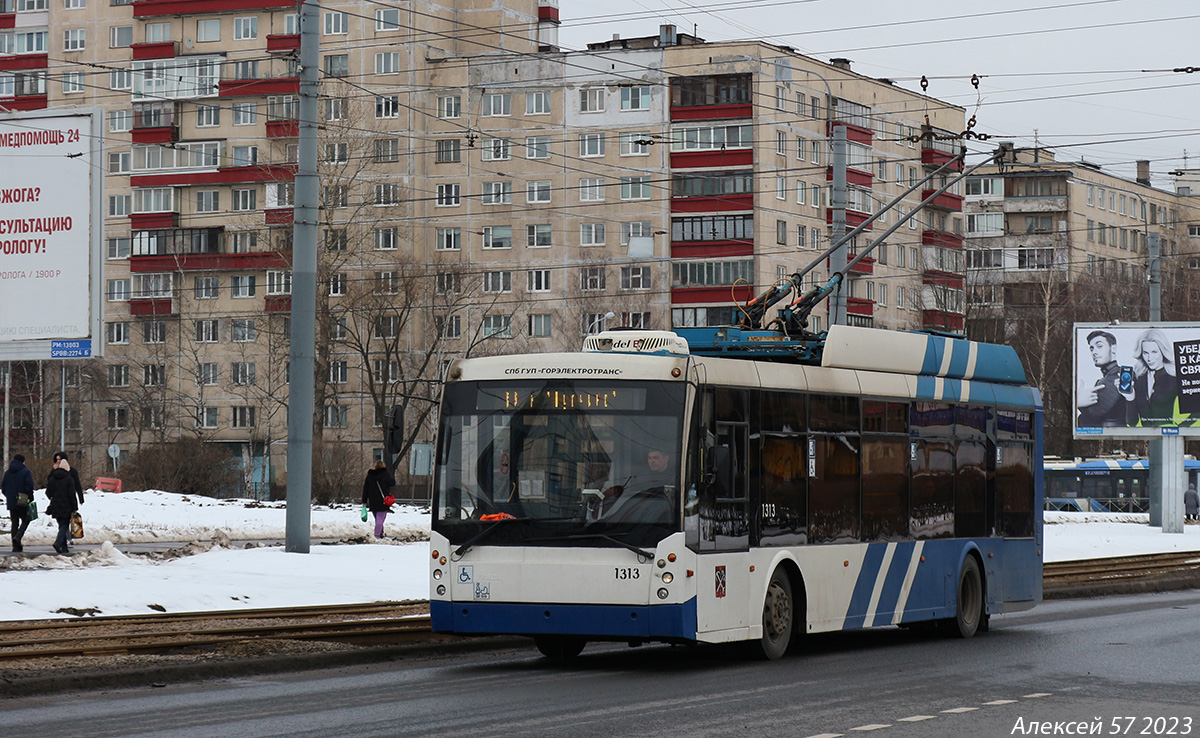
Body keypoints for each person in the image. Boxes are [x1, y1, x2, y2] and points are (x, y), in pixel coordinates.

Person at [1121, 328, 1179, 426]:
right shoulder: (1137, 378)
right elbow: (1132, 422)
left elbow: (1195, 411)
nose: (1149, 358)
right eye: (1145, 353)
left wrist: (1179, 428)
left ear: (1162, 351)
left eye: (1154, 352)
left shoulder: (1174, 378)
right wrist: (1130, 398)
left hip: (1170, 435)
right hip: (1146, 437)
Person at [1076, 330, 1126, 427]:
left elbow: (1089, 419)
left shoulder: (1117, 377)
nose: (1094, 352)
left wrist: (1077, 402)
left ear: (1113, 348)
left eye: (1099, 346)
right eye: (1091, 349)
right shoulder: (1107, 378)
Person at [45, 456, 80, 555]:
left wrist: (54, 497)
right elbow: (71, 495)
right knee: (64, 525)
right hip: (66, 505)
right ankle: (58, 542)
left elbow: (48, 493)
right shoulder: (69, 479)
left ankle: (64, 548)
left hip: (55, 505)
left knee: (61, 525)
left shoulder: (52, 478)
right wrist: (74, 508)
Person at [2, 453, 35, 553]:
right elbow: (29, 486)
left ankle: (15, 546)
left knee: (14, 523)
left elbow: (3, 487)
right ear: (22, 461)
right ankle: (18, 537)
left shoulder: (7, 473)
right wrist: (28, 496)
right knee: (26, 519)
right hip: (22, 500)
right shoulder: (26, 471)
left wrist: (9, 496)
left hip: (11, 501)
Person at [362, 460, 395, 539]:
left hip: (372, 500)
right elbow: (392, 483)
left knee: (378, 519)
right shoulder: (385, 474)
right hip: (383, 500)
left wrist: (364, 501)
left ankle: (381, 534)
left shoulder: (370, 475)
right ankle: (377, 535)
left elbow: (365, 489)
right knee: (380, 520)